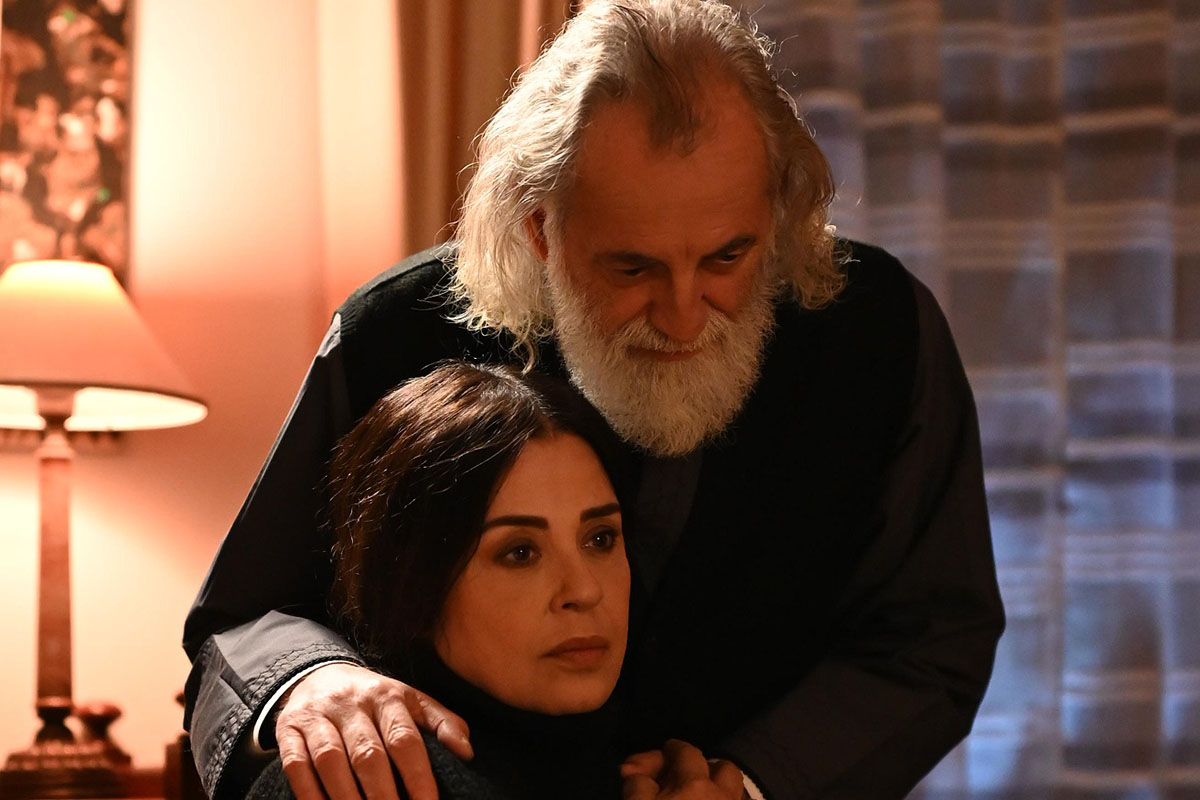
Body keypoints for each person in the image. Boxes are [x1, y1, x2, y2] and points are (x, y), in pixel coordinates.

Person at [183, 1, 1006, 799]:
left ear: (779, 206)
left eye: (727, 257)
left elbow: (935, 639)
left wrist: (749, 785)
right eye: (632, 267)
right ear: (540, 230)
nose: (683, 316)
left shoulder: (883, 332)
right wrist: (310, 679)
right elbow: (245, 619)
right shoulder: (393, 332)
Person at [241, 362, 739, 800]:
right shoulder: (359, 776)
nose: (585, 591)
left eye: (600, 538)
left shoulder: (653, 774)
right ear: (414, 583)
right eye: (520, 553)